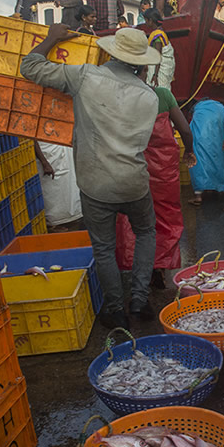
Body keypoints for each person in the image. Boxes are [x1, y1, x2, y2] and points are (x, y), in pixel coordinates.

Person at [20, 26, 161, 329]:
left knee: (104, 247)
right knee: (146, 232)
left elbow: (29, 67)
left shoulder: (85, 76)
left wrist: (53, 39)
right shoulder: (150, 97)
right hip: (134, 181)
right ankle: (138, 299)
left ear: (110, 52)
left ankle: (114, 309)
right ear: (140, 61)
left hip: (96, 182)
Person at [117, 86, 196, 288]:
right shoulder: (162, 94)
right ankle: (159, 266)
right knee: (164, 215)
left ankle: (139, 267)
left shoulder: (115, 94)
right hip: (163, 169)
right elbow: (185, 130)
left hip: (131, 166)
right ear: (145, 68)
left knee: (132, 217)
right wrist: (189, 151)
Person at [144, 8, 175, 89]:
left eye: (146, 20)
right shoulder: (160, 32)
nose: (145, 23)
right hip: (160, 68)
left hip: (158, 71)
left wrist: (155, 75)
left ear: (150, 20)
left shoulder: (157, 37)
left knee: (159, 90)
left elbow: (158, 56)